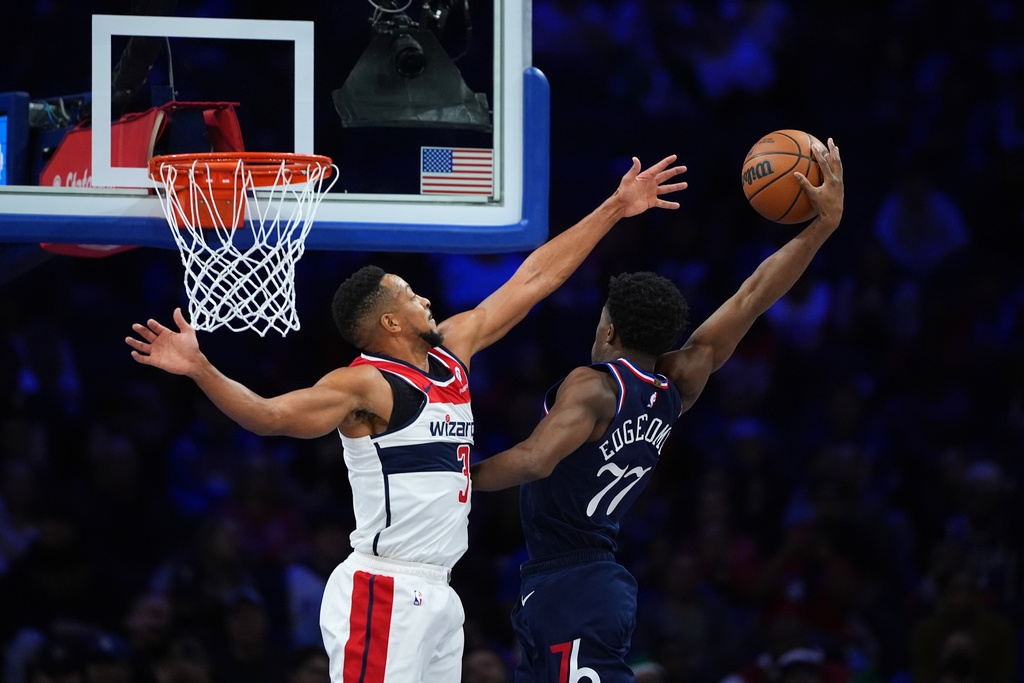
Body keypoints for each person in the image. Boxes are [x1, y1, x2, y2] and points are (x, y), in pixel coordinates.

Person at [124, 154, 688, 683]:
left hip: (439, 591)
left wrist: (615, 206)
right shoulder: (363, 383)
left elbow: (534, 280)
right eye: (412, 295)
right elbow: (270, 416)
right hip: (382, 587)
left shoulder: (452, 352)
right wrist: (201, 369)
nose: (426, 299)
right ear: (390, 323)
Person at [470, 139, 844, 682]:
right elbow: (752, 296)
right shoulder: (677, 383)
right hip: (577, 579)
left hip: (575, 582)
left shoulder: (592, 387)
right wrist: (822, 228)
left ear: (611, 330)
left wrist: (454, 475)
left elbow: (535, 460)